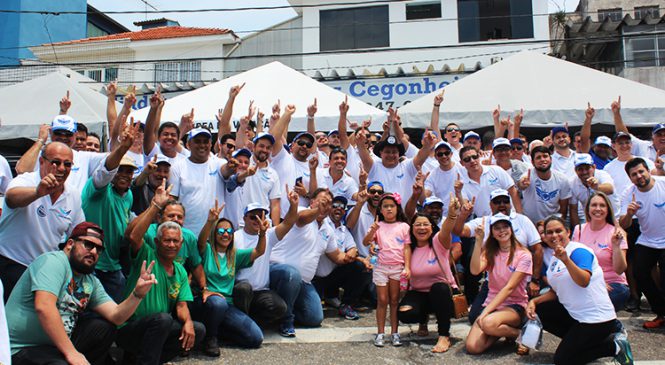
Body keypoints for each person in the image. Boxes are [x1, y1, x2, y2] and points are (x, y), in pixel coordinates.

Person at [7, 222, 157, 365]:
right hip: (24, 348)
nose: (93, 252)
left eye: (98, 249)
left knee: (104, 328)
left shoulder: (90, 281)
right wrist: (71, 353)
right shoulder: (53, 262)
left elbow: (117, 316)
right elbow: (44, 307)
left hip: (58, 347)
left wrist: (137, 294)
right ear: (70, 244)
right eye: (88, 245)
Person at [528, 216, 633, 365]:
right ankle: (580, 343)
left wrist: (566, 260)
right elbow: (555, 291)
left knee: (563, 360)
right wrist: (533, 301)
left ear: (568, 232)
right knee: (541, 309)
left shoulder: (579, 251)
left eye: (559, 231)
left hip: (597, 320)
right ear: (544, 237)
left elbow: (584, 281)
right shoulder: (554, 259)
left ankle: (613, 346)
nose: (554, 235)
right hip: (577, 316)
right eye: (549, 232)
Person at [121, 183, 205, 364]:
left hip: (158, 328)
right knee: (163, 320)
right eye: (167, 240)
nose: (172, 245)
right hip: (131, 328)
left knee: (198, 330)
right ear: (157, 242)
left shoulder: (181, 270)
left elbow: (182, 306)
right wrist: (156, 206)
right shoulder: (146, 255)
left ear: (181, 244)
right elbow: (134, 236)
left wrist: (188, 322)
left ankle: (144, 358)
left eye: (176, 241)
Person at [0, 142, 85, 301]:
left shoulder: (72, 194)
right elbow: (11, 198)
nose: (61, 168)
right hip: (10, 264)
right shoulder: (26, 181)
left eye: (67, 164)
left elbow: (78, 233)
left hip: (43, 272)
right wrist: (37, 193)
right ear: (41, 161)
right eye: (56, 162)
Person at [269, 188, 347, 337]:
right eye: (321, 200)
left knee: (314, 318)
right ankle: (286, 320)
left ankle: (278, 311)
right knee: (292, 274)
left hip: (304, 282)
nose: (325, 205)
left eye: (329, 203)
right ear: (312, 202)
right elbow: (301, 219)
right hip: (279, 272)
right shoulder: (300, 210)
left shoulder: (328, 230)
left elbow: (336, 256)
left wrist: (356, 257)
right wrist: (318, 209)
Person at [193, 204, 267, 356]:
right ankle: (210, 338)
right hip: (208, 302)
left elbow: (259, 251)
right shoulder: (207, 250)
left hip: (227, 305)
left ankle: (218, 330)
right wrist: (210, 222)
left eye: (229, 231)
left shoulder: (235, 255)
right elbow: (200, 242)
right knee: (218, 303)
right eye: (221, 231)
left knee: (255, 338)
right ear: (214, 233)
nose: (225, 234)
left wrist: (262, 234)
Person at [81, 124, 141, 302]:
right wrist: (123, 148)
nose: (124, 174)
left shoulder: (128, 194)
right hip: (91, 265)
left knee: (114, 317)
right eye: (120, 170)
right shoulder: (98, 188)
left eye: (129, 171)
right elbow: (106, 171)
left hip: (114, 267)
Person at [465, 213, 532, 355]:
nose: (502, 231)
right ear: (492, 233)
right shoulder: (490, 252)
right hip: (492, 302)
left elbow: (509, 288)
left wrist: (485, 313)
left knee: (487, 323)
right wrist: (478, 241)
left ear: (511, 229)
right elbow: (474, 270)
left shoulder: (523, 254)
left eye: (505, 227)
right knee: (473, 347)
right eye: (497, 228)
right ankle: (506, 331)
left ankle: (522, 334)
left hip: (514, 305)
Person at [398, 201, 459, 353]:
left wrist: (452, 214)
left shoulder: (439, 242)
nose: (421, 228)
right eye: (417, 225)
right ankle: (422, 319)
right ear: (412, 229)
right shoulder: (408, 249)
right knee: (405, 314)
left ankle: (444, 335)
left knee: (439, 288)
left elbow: (447, 229)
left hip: (444, 294)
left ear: (432, 228)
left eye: (425, 224)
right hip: (419, 293)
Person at [233, 192, 299, 327]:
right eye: (253, 217)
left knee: (280, 307)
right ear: (244, 218)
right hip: (241, 290)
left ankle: (251, 324)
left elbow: (288, 223)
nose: (257, 220)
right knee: (243, 289)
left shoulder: (268, 235)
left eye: (261, 216)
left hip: (261, 291)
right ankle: (241, 325)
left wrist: (294, 205)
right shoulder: (234, 237)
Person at [604, 132, 654, 311]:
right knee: (630, 260)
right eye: (620, 143)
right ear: (614, 146)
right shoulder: (609, 167)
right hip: (624, 218)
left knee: (651, 261)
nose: (624, 145)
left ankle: (654, 295)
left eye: (627, 142)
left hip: (647, 217)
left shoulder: (643, 161)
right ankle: (634, 296)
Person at [619, 157, 665, 328]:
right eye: (634, 174)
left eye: (641, 172)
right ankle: (661, 312)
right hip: (648, 239)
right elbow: (623, 225)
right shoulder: (629, 193)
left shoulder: (662, 183)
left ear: (647, 171)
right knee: (639, 273)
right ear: (630, 178)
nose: (639, 176)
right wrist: (629, 214)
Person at [363, 193, 411, 347]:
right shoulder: (378, 226)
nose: (389, 209)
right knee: (382, 300)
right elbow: (366, 242)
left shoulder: (404, 226)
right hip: (381, 267)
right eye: (385, 206)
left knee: (394, 301)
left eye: (392, 206)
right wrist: (373, 230)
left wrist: (407, 267)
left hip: (397, 268)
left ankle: (395, 332)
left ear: (397, 208)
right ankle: (380, 332)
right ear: (380, 210)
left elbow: (407, 248)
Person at [313, 196, 371, 321]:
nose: (338, 209)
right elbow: (335, 256)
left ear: (345, 211)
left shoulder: (344, 229)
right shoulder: (323, 224)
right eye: (335, 206)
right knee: (314, 315)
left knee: (361, 267)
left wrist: (352, 252)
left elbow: (353, 248)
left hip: (332, 276)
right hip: (315, 278)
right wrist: (357, 258)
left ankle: (346, 304)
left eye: (342, 207)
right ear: (329, 208)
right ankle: (325, 297)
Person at [15, 115, 109, 193]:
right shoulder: (41, 154)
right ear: (51, 132)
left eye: (68, 134)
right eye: (58, 133)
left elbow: (111, 158)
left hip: (73, 210)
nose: (63, 137)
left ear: (75, 135)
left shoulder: (84, 157)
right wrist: (40, 140)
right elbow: (21, 170)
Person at [169, 127, 233, 234]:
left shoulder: (218, 163)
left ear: (211, 144)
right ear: (188, 145)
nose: (202, 145)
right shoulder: (177, 167)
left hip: (215, 234)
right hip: (187, 232)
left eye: (205, 142)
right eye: (197, 142)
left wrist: (230, 168)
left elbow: (225, 170)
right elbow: (172, 199)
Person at [572, 192, 629, 311]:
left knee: (593, 302)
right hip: (587, 282)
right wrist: (596, 283)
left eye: (602, 205)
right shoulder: (579, 229)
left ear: (608, 210)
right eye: (594, 205)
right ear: (587, 209)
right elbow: (574, 262)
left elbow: (620, 269)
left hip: (613, 284)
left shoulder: (617, 232)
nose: (598, 209)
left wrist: (616, 245)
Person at [457, 146, 522, 217]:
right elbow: (465, 206)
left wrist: (519, 216)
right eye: (467, 159)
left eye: (474, 157)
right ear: (462, 163)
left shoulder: (496, 170)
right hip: (485, 223)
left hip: (509, 217)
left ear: (479, 156)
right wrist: (458, 193)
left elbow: (513, 192)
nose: (472, 161)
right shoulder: (462, 183)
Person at [518, 146, 572, 223]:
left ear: (551, 159)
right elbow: (521, 184)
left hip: (551, 224)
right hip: (529, 223)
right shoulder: (527, 176)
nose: (542, 159)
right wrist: (522, 185)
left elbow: (564, 208)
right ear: (532, 162)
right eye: (538, 157)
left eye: (545, 156)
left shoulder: (562, 179)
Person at [568, 153, 618, 228]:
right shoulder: (572, 183)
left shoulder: (602, 174)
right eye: (580, 169)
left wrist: (597, 187)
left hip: (613, 219)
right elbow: (573, 210)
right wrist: (578, 231)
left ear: (594, 167)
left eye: (587, 168)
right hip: (592, 221)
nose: (584, 172)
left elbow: (610, 189)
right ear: (575, 170)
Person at [422, 141, 463, 216]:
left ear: (451, 154)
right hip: (443, 217)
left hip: (461, 215)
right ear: (435, 157)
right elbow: (426, 196)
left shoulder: (461, 169)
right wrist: (421, 185)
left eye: (446, 153)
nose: (444, 156)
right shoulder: (432, 175)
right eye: (440, 154)